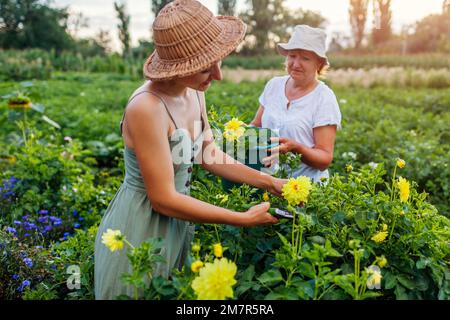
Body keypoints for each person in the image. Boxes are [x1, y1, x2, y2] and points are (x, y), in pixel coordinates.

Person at [94, 0, 285, 300]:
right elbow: (163, 199)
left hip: (179, 221)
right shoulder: (146, 108)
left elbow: (208, 155)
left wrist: (270, 182)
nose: (218, 75)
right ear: (177, 68)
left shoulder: (194, 91)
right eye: (206, 68)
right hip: (141, 226)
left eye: (217, 62)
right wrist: (242, 218)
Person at [250, 25, 342, 182]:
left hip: (304, 191)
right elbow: (256, 126)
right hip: (267, 184)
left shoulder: (324, 98)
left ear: (319, 64)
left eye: (305, 58)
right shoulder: (274, 85)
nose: (296, 64)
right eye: (292, 56)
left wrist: (296, 148)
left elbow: (324, 159)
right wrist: (233, 134)